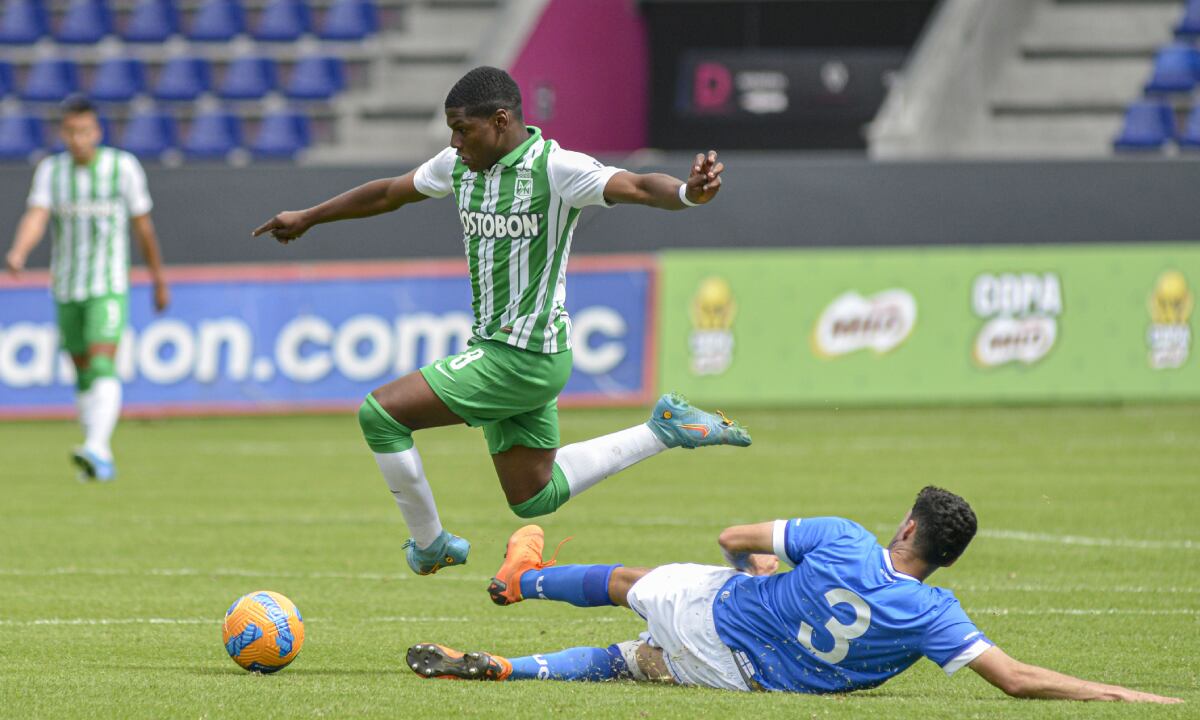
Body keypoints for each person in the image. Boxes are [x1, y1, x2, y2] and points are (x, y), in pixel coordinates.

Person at [252, 66, 750, 576]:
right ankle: (663, 431)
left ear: (500, 120)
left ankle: (430, 544)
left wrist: (689, 193)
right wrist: (309, 216)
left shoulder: (556, 168)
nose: (454, 140)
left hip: (522, 355)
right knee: (533, 496)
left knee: (381, 415)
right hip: (516, 353)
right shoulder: (458, 166)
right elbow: (388, 193)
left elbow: (640, 185)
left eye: (462, 129)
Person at [406, 487, 1181, 704]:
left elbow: (731, 535)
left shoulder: (844, 537)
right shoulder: (935, 616)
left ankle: (522, 580)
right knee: (626, 662)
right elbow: (1017, 681)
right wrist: (1123, 693)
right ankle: (511, 670)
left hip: (718, 611)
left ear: (907, 525)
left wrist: (756, 573)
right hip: (744, 680)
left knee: (632, 585)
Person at [5, 95, 170, 482]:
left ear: (96, 132)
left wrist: (158, 279)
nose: (78, 139)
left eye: (85, 131)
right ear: (63, 133)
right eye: (71, 132)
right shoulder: (52, 171)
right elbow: (37, 215)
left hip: (107, 284)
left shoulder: (123, 168)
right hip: (66, 286)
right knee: (80, 372)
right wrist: (19, 250)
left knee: (101, 362)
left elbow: (143, 227)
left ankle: (96, 447)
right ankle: (100, 455)